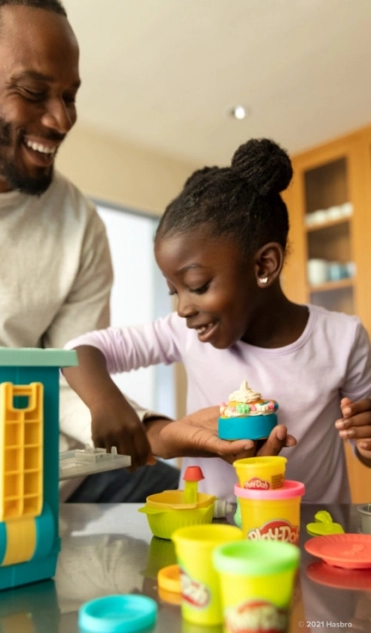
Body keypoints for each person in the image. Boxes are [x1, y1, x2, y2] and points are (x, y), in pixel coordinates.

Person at [63, 136, 371, 504]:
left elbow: (363, 442)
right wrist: (107, 404)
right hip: (209, 534)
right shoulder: (183, 332)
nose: (183, 308)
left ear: (263, 266)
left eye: (197, 286)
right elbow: (79, 349)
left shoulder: (342, 338)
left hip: (310, 535)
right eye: (174, 291)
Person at [0, 0, 183, 502]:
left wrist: (148, 426)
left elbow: (70, 372)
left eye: (70, 96)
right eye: (35, 92)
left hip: (51, 470)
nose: (61, 120)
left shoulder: (78, 224)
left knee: (193, 506)